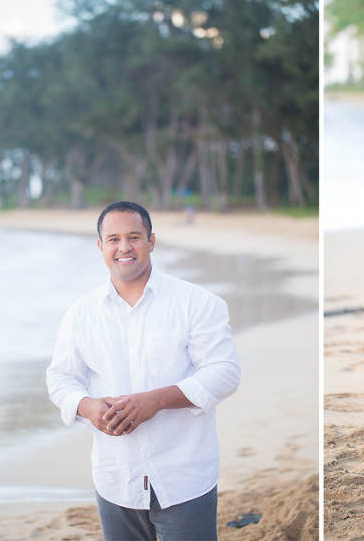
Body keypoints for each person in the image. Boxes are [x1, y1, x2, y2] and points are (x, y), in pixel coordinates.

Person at [46, 201, 240, 540]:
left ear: (151, 241)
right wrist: (87, 407)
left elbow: (224, 372)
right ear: (100, 246)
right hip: (115, 477)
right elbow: (60, 377)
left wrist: (156, 401)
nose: (124, 248)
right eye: (114, 239)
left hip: (184, 474)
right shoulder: (81, 313)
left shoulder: (196, 302)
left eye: (134, 237)